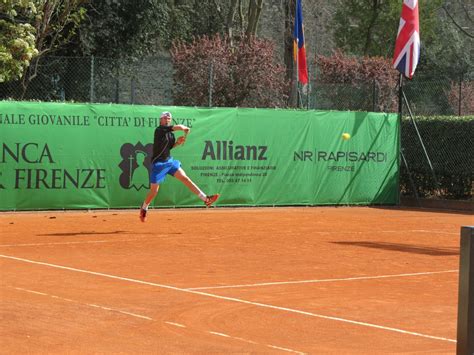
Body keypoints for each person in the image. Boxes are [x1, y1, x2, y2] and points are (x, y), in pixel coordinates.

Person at [139, 111, 219, 222]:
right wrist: (184, 128)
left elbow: (169, 148)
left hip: (169, 162)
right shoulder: (159, 130)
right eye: (165, 118)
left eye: (169, 118)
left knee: (185, 178)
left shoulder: (170, 135)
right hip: (159, 164)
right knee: (154, 191)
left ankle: (206, 199)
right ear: (161, 119)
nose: (167, 119)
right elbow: (179, 127)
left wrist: (177, 142)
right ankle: (144, 207)